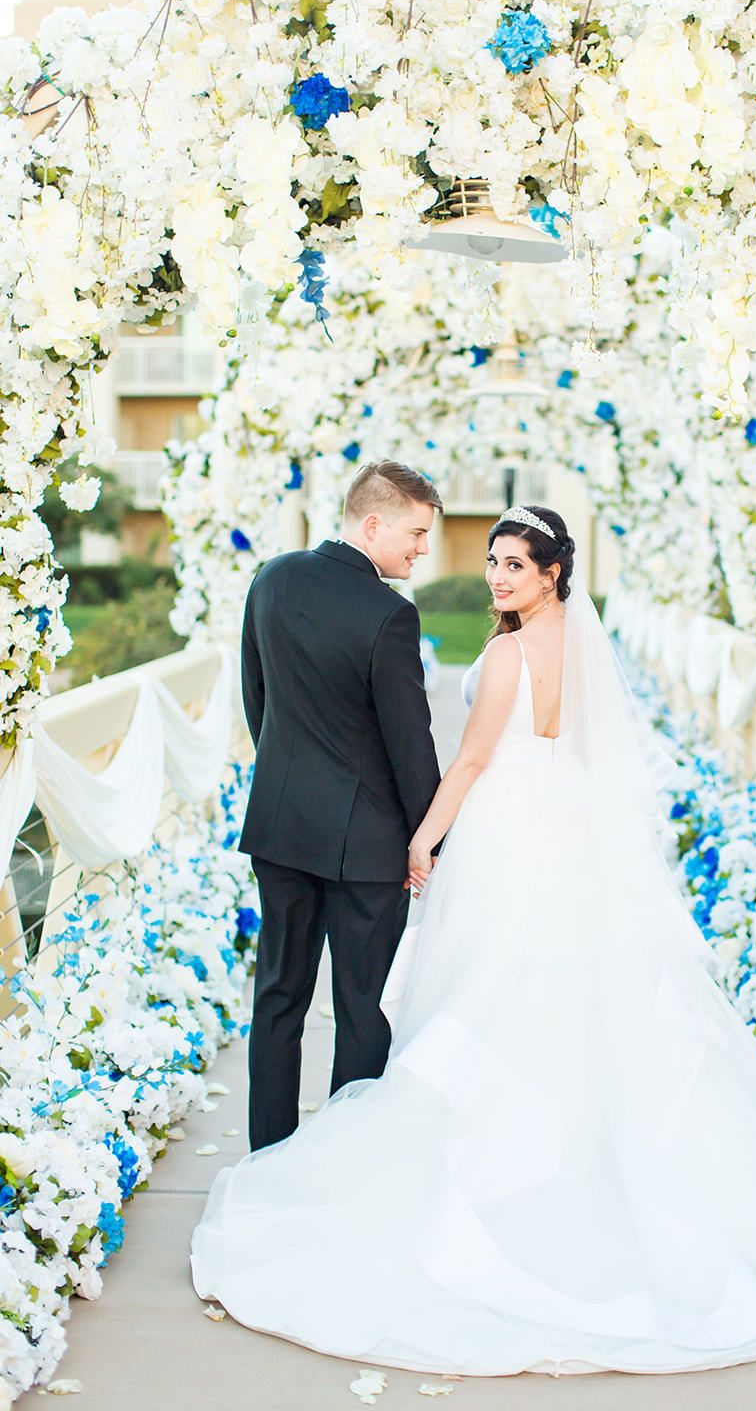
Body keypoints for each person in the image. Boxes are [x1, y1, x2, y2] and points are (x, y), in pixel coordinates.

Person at [193, 503, 756, 1375]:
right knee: (559, 997)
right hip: (564, 832)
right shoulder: (585, 652)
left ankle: (499, 1171)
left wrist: (421, 838)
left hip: (506, 835)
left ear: (552, 572)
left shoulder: (513, 652)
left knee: (491, 991)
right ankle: (573, 1160)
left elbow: (472, 761)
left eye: (515, 565)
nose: (496, 577)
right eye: (492, 562)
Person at [237, 460, 442, 1152]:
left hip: (280, 828)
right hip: (367, 848)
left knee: (277, 999)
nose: (422, 548)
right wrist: (432, 838)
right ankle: (341, 1164)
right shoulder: (390, 614)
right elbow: (409, 744)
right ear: (373, 522)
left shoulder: (270, 578)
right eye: (415, 533)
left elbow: (256, 699)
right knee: (361, 1011)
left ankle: (267, 1156)